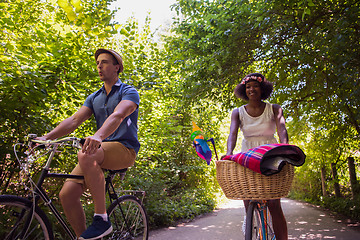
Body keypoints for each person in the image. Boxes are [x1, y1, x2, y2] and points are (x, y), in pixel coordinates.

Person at [37, 49, 140, 239]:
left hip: (124, 149)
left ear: (117, 67)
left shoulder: (128, 91)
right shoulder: (94, 97)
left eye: (105, 62)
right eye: (98, 63)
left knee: (87, 152)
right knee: (67, 195)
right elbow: (75, 120)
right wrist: (47, 138)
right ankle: (85, 237)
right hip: (100, 149)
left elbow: (118, 114)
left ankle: (101, 219)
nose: (99, 66)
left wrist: (98, 136)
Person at [224, 73, 289, 240]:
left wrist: (286, 148)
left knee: (274, 202)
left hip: (271, 154)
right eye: (248, 87)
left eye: (255, 86)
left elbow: (282, 129)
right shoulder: (237, 112)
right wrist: (229, 154)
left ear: (263, 89)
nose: (251, 89)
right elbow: (232, 133)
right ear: (244, 90)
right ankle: (253, 229)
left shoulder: (274, 108)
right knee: (248, 197)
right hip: (248, 155)